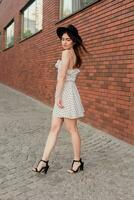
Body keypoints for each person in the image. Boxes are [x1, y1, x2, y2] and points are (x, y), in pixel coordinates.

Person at [32, 24, 88, 174]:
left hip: (65, 94)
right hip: (67, 92)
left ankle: (77, 161)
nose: (64, 42)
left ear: (73, 41)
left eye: (68, 39)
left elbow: (62, 77)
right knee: (54, 129)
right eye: (62, 39)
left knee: (72, 130)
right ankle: (44, 161)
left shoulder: (67, 54)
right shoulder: (73, 54)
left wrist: (57, 97)